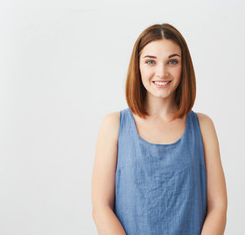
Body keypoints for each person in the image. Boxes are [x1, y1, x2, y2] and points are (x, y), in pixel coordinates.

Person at [91, 23, 227, 235]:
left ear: (184, 67)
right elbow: (101, 206)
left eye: (172, 61)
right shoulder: (114, 126)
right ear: (138, 66)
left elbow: (218, 205)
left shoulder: (203, 127)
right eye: (150, 62)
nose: (161, 72)